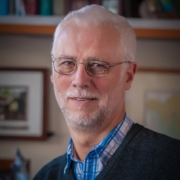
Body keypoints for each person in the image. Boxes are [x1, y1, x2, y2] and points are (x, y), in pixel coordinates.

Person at [34, 4, 180, 180]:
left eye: (97, 65)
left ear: (128, 76)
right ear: (53, 72)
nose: (80, 81)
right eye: (67, 63)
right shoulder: (44, 176)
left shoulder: (173, 163)